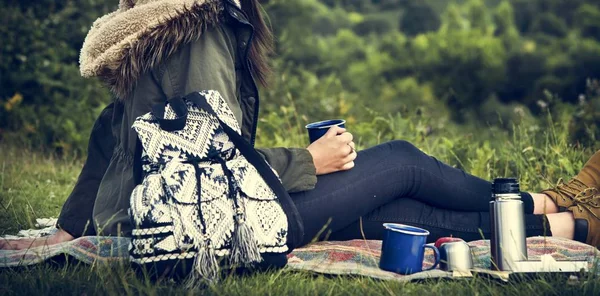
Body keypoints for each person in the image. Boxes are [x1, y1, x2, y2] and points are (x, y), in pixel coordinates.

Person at [2, 0, 599, 251]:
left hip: (155, 215)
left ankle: (565, 223)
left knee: (406, 218)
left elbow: (114, 137)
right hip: (203, 224)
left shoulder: (156, 21)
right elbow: (211, 160)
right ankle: (547, 201)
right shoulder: (197, 27)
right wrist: (309, 162)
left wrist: (81, 224)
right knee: (402, 161)